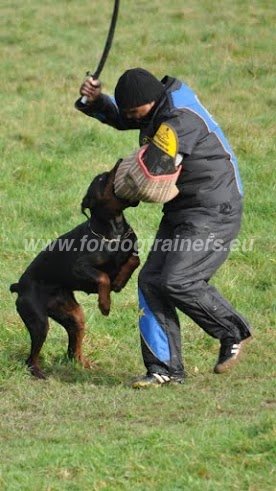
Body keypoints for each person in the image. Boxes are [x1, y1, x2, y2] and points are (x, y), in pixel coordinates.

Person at [75, 67, 252, 388]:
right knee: (152, 280)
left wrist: (115, 189)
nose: (131, 117)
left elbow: (154, 175)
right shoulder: (156, 103)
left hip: (215, 208)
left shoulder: (180, 120)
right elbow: (126, 115)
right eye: (129, 111)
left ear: (152, 101)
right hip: (183, 207)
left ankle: (233, 331)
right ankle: (164, 369)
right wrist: (95, 100)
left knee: (179, 279)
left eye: (135, 111)